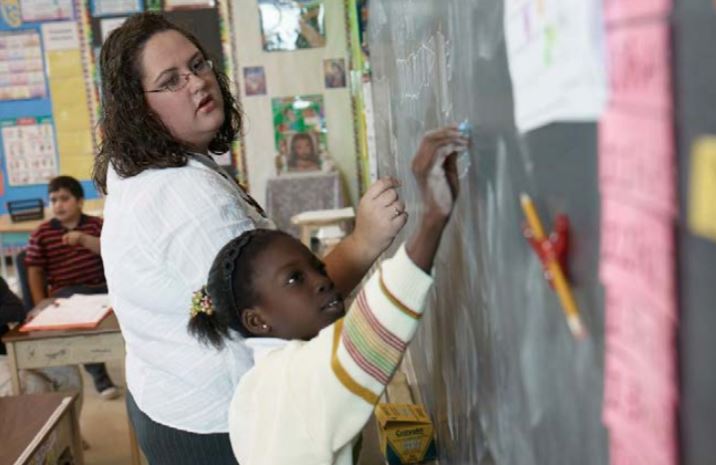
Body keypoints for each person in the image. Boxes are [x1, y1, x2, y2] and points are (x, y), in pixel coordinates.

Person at [94, 12, 406, 464]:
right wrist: (364, 241)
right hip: (220, 427)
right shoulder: (190, 201)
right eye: (171, 80)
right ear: (138, 108)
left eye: (198, 64)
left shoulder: (134, 165)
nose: (197, 83)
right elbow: (282, 310)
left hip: (166, 397)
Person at [187, 126, 467, 464]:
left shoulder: (255, 386)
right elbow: (366, 334)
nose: (322, 281)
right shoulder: (296, 379)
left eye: (318, 268)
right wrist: (433, 220)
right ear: (258, 320)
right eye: (294, 279)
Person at [24, 175, 120, 400]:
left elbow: (113, 252)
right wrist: (40, 303)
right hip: (66, 293)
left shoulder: (96, 226)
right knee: (81, 327)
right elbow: (34, 271)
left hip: (102, 288)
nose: (58, 204)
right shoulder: (42, 233)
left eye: (64, 198)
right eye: (53, 199)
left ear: (79, 201)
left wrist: (85, 239)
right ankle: (99, 375)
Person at [0, 276, 83, 409]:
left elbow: (16, 309)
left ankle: (69, 428)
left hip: (8, 351)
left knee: (68, 372)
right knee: (34, 386)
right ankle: (39, 429)